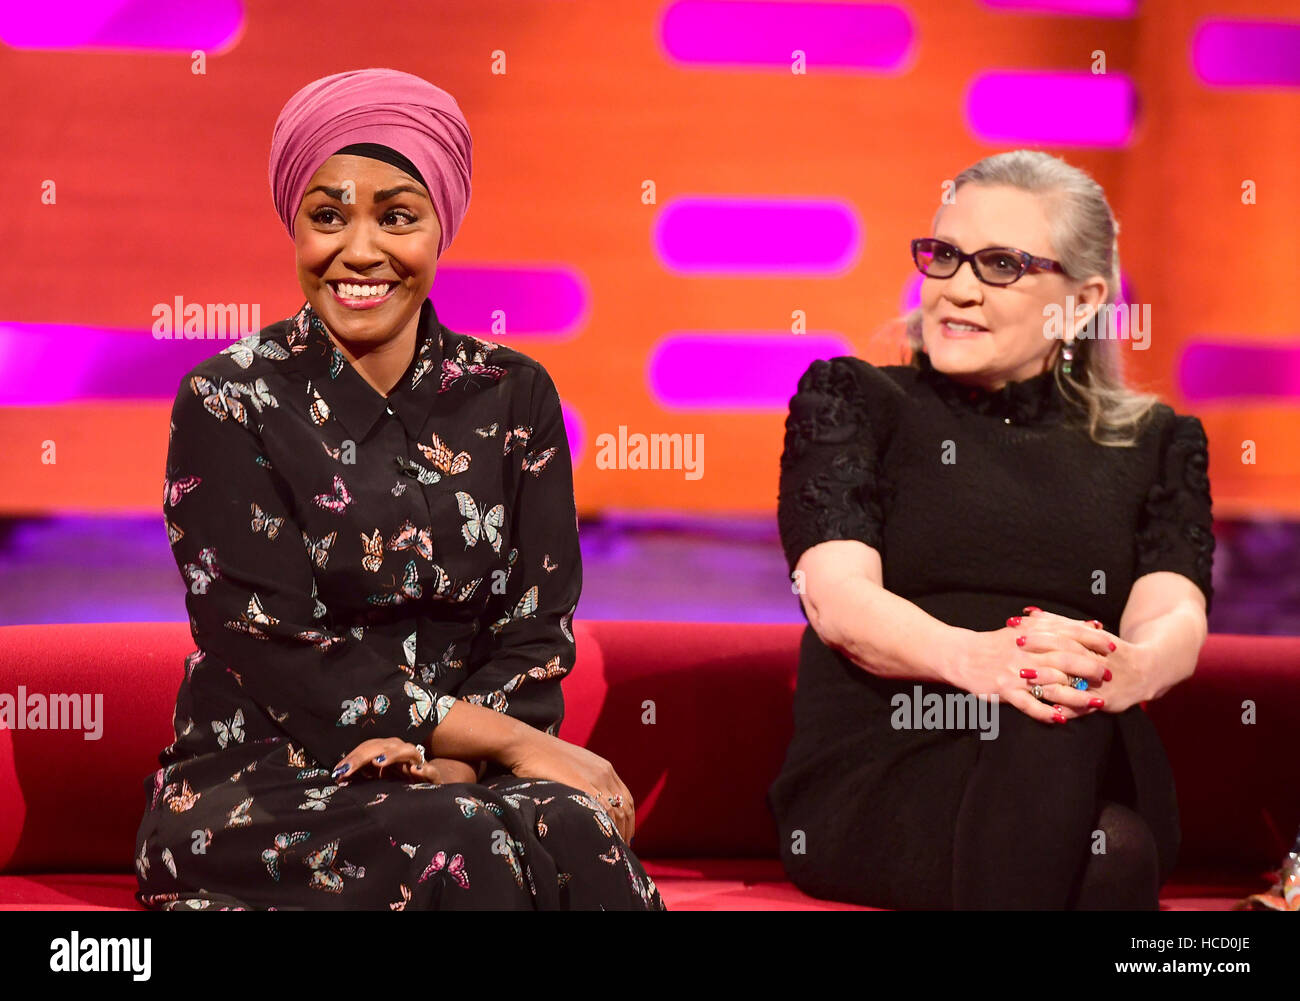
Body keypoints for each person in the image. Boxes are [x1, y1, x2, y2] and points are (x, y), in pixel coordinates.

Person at [134, 68, 664, 911]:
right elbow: (275, 645)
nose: (361, 251)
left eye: (398, 216)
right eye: (328, 216)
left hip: (462, 779)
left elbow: (535, 628)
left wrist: (453, 757)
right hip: (264, 788)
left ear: (440, 227)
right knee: (465, 840)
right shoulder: (229, 400)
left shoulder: (514, 394)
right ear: (295, 226)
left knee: (576, 837)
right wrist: (501, 743)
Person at [769, 150, 1215, 910]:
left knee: (1063, 681)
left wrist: (1128, 669)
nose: (959, 289)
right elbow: (838, 600)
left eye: (1001, 264)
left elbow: (1174, 608)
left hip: (1082, 749)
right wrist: (985, 661)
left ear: (1081, 302)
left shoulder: (1157, 442)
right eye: (944, 256)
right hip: (891, 767)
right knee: (1112, 852)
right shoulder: (856, 401)